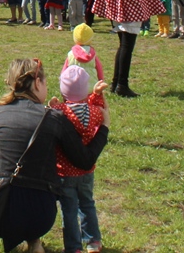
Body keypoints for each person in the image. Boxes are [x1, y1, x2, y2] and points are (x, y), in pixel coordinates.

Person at [0, 59, 110, 253]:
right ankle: (34, 241)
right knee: (34, 184)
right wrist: (104, 128)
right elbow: (85, 161)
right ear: (37, 83)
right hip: (40, 215)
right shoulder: (53, 117)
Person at [51, 65, 105, 253]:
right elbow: (98, 109)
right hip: (86, 171)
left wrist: (52, 105)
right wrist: (96, 95)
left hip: (65, 172)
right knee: (87, 203)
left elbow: (51, 117)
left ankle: (74, 247)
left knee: (69, 210)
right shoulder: (94, 112)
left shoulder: (60, 111)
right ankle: (93, 241)